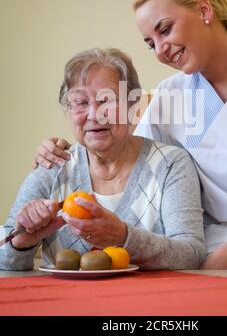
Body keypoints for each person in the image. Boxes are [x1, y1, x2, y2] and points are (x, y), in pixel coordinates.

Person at [31, 0, 227, 270]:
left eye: (165, 30)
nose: (160, 50)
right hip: (204, 249)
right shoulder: (172, 94)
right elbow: (126, 153)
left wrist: (214, 266)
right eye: (150, 43)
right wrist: (63, 150)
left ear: (204, 11)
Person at [0, 48, 206, 271]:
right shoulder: (53, 165)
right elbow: (5, 260)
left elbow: (191, 254)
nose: (94, 114)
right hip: (64, 303)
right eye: (80, 102)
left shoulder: (170, 164)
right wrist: (22, 243)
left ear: (132, 105)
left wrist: (124, 237)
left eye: (106, 100)